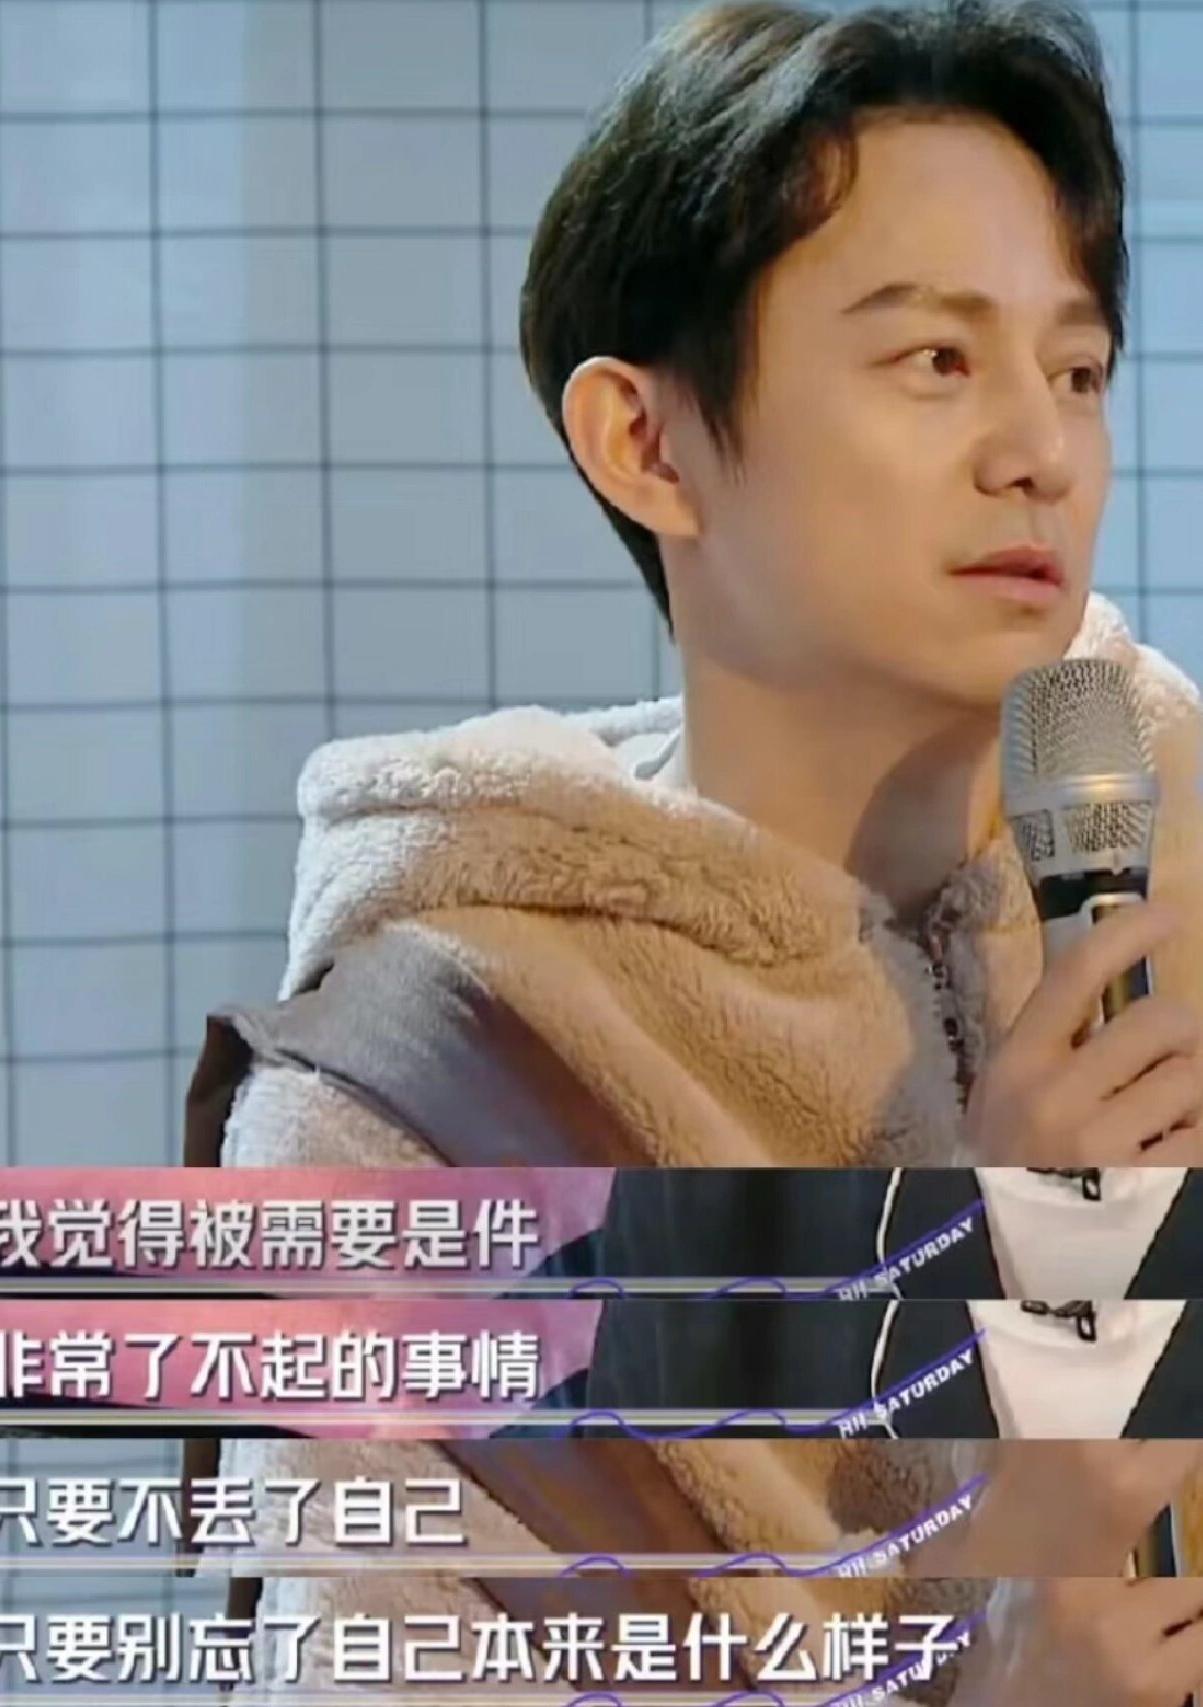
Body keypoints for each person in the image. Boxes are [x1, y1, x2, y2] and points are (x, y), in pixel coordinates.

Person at [185, 0, 1203, 1700]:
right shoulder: (430, 1101)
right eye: (936, 361)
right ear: (645, 444)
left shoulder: (1167, 874)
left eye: (1076, 370)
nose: (1039, 452)